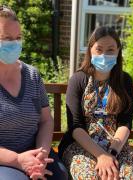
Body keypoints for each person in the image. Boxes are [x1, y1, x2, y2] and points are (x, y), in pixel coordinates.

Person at [58, 26, 133, 179]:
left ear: (118, 51)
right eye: (99, 49)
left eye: (110, 50)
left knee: (127, 176)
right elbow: (75, 126)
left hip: (115, 146)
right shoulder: (78, 79)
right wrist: (101, 155)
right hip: (81, 145)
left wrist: (112, 153)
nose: (104, 55)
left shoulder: (125, 80)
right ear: (90, 50)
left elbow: (125, 123)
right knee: (89, 176)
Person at [0, 5, 68, 180]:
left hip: (35, 152)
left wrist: (42, 155)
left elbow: (46, 120)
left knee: (59, 176)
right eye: (7, 38)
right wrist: (17, 160)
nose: (14, 44)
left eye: (18, 37)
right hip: (4, 161)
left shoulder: (32, 75)